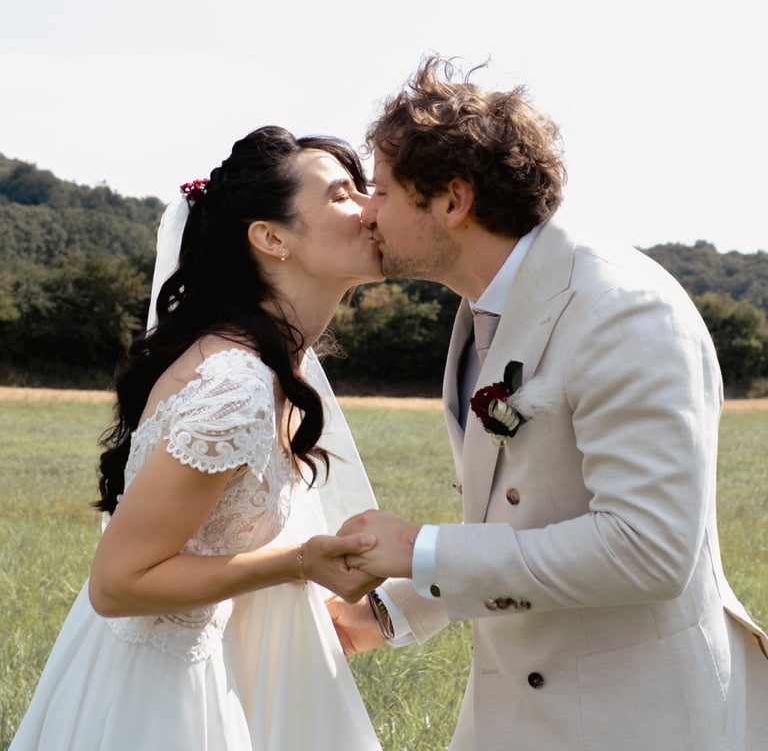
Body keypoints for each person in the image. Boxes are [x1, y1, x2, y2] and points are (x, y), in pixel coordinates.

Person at [330, 56, 768, 751]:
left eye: (381, 190)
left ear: (453, 200)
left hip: (636, 721)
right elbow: (527, 512)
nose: (367, 210)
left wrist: (418, 549)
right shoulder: (482, 307)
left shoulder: (623, 309)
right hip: (517, 715)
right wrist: (390, 611)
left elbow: (648, 549)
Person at [11, 125, 387, 751]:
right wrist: (299, 563)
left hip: (196, 662)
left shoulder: (268, 368)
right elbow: (117, 582)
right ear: (271, 238)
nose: (371, 208)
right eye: (341, 195)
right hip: (151, 694)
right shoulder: (237, 387)